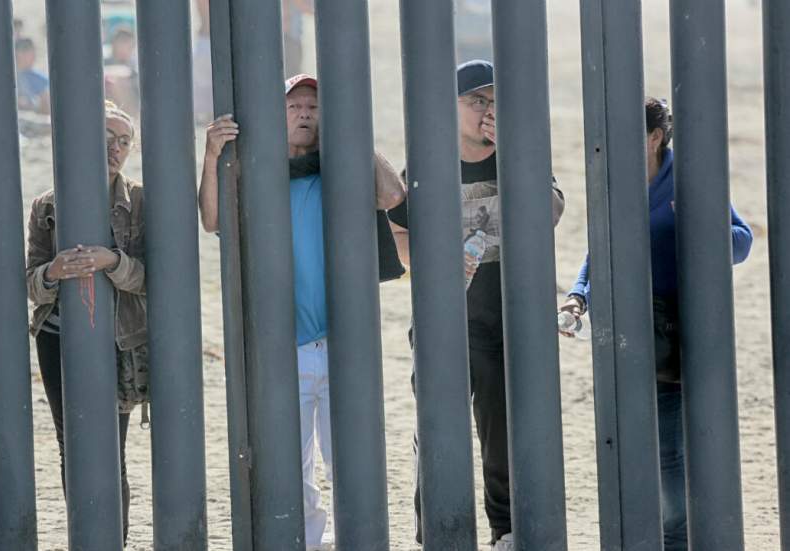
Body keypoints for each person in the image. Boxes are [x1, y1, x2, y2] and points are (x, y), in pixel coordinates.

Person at [198, 74, 406, 550]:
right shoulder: (255, 174)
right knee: (294, 468)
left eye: (314, 106)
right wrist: (211, 155)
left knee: (350, 461)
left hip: (342, 345)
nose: (306, 113)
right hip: (281, 348)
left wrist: (352, 134)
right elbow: (211, 219)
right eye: (295, 106)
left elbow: (393, 196)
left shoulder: (340, 171)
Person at [559, 97, 753, 551]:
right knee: (626, 449)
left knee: (669, 454)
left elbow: (741, 242)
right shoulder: (615, 183)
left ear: (654, 138)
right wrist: (577, 298)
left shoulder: (689, 178)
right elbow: (597, 253)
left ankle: (676, 540)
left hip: (678, 339)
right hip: (624, 334)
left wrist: (698, 225)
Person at [388, 60, 565, 551]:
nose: (487, 111)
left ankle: (504, 530)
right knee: (435, 434)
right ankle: (435, 534)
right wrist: (433, 259)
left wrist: (513, 153)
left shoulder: (522, 157)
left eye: (494, 101)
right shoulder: (427, 164)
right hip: (442, 323)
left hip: (501, 322)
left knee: (501, 434)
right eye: (476, 101)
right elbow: (397, 234)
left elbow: (548, 213)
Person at [26, 100, 149, 544]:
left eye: (124, 141)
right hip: (56, 338)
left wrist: (112, 261)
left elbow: (153, 277)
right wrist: (54, 272)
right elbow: (30, 284)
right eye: (106, 139)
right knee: (70, 445)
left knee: (111, 449)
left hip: (120, 341)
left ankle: (114, 538)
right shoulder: (46, 206)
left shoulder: (139, 201)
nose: (115, 149)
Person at [15, 37, 51, 114]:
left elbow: (47, 105)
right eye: (29, 54)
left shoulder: (40, 79)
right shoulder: (9, 77)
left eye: (33, 54)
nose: (33, 57)